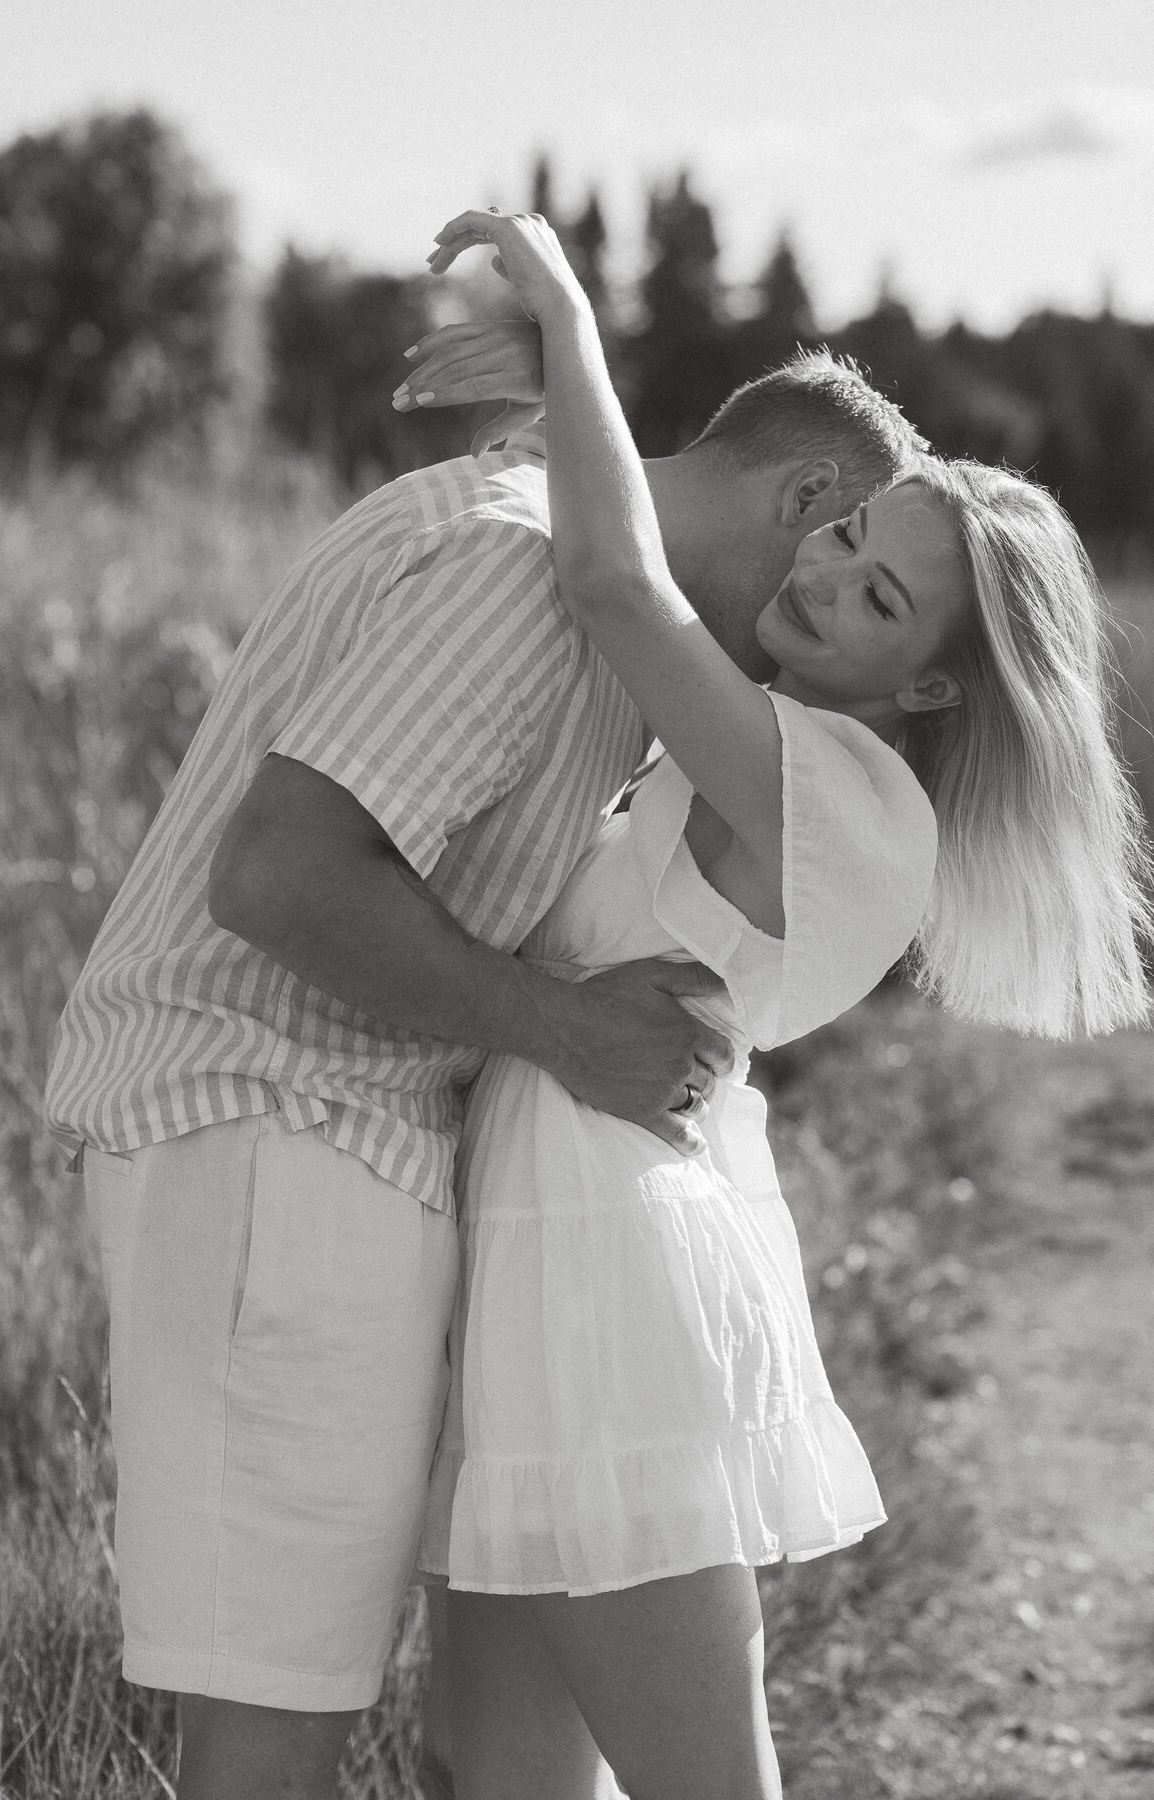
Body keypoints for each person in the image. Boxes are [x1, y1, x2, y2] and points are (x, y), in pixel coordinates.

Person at [44, 294, 927, 1795]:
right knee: (270, 1732)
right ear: (811, 502)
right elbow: (281, 878)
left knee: (459, 1753)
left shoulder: (583, 598)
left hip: (403, 1189)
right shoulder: (527, 574)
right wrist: (563, 1027)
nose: (797, 630)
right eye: (840, 555)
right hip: (284, 1141)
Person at [404, 211, 1154, 1800]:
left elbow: (616, 576)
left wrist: (563, 313)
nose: (823, 578)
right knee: (497, 1772)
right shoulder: (753, 742)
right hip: (543, 1241)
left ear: (935, 685)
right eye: (847, 537)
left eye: (882, 600)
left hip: (611, 1287)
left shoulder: (850, 801)